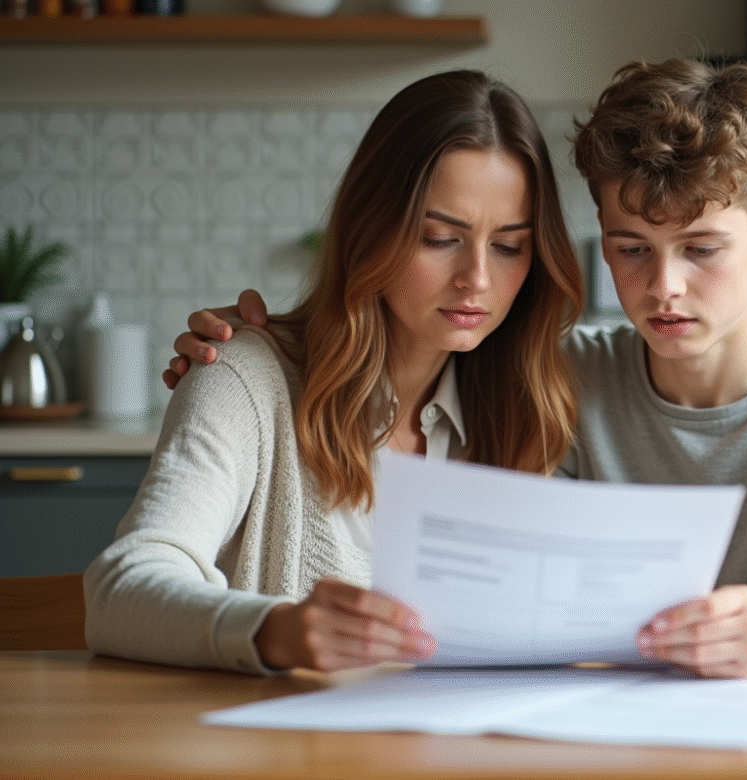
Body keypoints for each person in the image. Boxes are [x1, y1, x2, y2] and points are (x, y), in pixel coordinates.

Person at [167, 58, 747, 678]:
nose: (663, 288)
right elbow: (411, 334)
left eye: (701, 250)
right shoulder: (563, 374)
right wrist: (243, 350)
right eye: (631, 250)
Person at [85, 69, 584, 675]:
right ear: (372, 229)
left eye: (509, 246)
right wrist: (276, 631)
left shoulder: (523, 407)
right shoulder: (243, 378)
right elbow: (120, 590)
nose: (477, 278)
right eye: (438, 238)